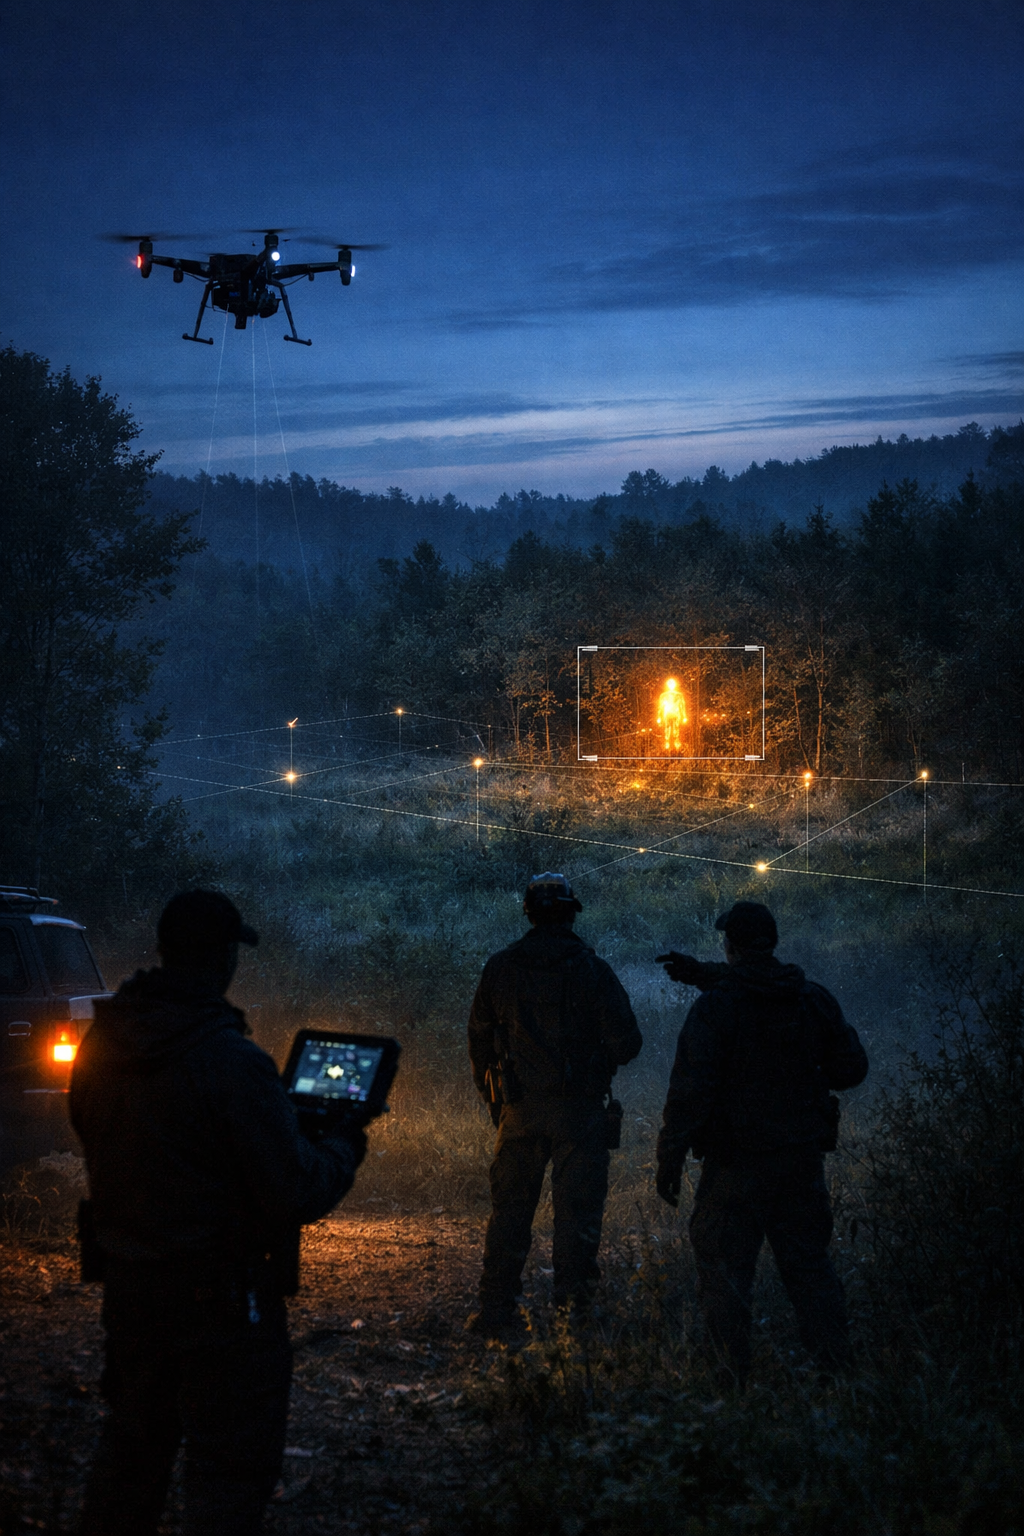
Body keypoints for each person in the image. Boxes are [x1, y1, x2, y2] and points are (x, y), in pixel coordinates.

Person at [70, 890, 372, 1536]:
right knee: (229, 1475)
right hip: (223, 1301)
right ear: (225, 959)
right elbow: (294, 1192)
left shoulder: (101, 1047)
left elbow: (93, 1137)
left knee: (130, 1459)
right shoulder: (234, 1063)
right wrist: (346, 1140)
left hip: (129, 1287)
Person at [655, 901, 868, 1385]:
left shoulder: (716, 1008)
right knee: (810, 1269)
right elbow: (851, 1069)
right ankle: (839, 1379)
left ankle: (729, 1383)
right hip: (800, 1164)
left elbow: (689, 1092)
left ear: (729, 946)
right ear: (771, 942)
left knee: (726, 1275)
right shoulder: (811, 999)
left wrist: (668, 1159)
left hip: (735, 1168)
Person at [467, 873, 642, 1333]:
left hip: (520, 1113)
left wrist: (498, 1105)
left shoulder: (500, 968)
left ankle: (496, 1311)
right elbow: (627, 1045)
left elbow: (479, 1045)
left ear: (528, 914)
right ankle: (576, 1316)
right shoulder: (592, 970)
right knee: (577, 1218)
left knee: (510, 1214)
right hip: (580, 1116)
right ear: (569, 913)